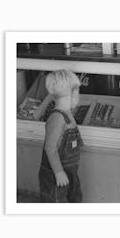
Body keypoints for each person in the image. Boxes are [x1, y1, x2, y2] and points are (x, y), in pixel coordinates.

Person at [38, 70, 83, 202]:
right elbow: (50, 148)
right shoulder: (57, 118)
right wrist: (58, 172)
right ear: (72, 93)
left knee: (73, 199)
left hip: (70, 172)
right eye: (77, 91)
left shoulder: (67, 114)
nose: (78, 95)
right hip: (55, 175)